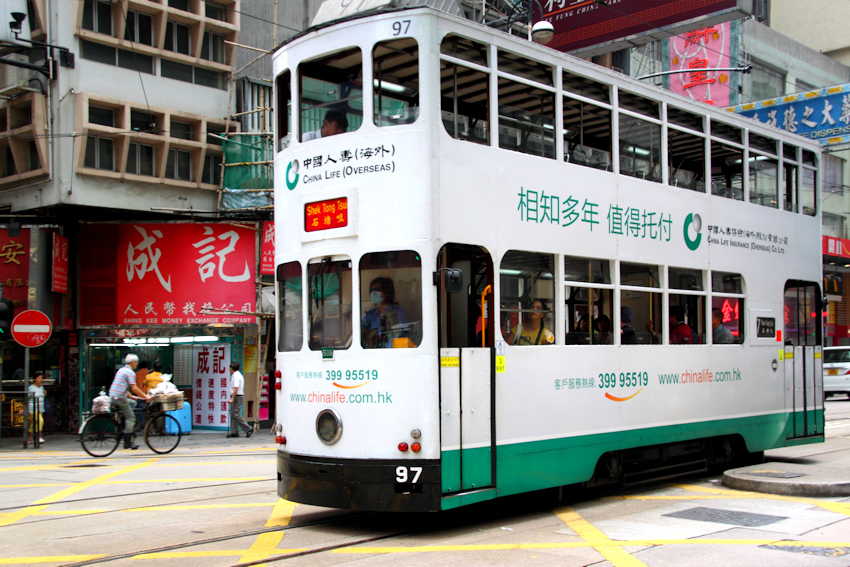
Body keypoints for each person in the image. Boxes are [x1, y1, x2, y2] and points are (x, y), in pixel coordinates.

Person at [109, 354, 151, 449]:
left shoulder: (121, 370)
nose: (136, 364)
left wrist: (131, 396)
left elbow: (123, 386)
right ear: (133, 362)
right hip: (120, 398)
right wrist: (146, 396)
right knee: (131, 418)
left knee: (133, 403)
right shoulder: (130, 372)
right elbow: (134, 388)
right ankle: (127, 442)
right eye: (136, 362)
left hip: (114, 396)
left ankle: (125, 422)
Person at [361, 277, 409, 348]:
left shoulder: (397, 311)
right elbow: (360, 333)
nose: (373, 292)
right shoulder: (369, 314)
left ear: (387, 291)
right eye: (372, 290)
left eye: (377, 289)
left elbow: (400, 336)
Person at [227, 362, 253, 438]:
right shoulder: (236, 375)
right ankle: (234, 432)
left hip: (237, 397)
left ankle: (249, 428)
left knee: (236, 414)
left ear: (231, 368)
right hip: (236, 396)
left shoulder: (236, 376)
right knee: (233, 414)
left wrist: (232, 398)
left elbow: (236, 388)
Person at [27, 372, 45, 444]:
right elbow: (27, 398)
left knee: (33, 423)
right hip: (33, 408)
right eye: (39, 378)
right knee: (40, 421)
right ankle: (39, 437)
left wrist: (45, 393)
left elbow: (42, 396)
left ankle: (31, 438)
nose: (40, 380)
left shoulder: (42, 387)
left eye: (41, 378)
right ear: (35, 379)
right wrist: (23, 408)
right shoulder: (31, 388)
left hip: (40, 407)